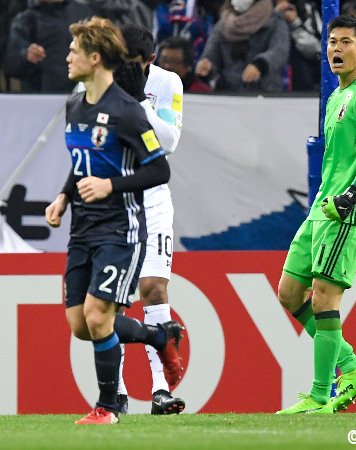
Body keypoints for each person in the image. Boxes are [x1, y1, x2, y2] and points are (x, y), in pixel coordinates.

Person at [44, 16, 183, 425]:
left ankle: (109, 405)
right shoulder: (74, 105)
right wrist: (64, 195)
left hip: (122, 224)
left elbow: (160, 167)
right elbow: (82, 161)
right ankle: (159, 336)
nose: (67, 57)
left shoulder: (128, 110)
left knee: (101, 313)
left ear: (95, 58)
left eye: (74, 51)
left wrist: (110, 185)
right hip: (82, 226)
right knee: (81, 324)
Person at [276, 14, 356, 414]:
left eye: (346, 42)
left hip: (347, 212)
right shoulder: (336, 97)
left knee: (324, 298)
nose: (336, 49)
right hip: (322, 209)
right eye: (332, 42)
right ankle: (352, 367)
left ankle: (319, 394)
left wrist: (353, 194)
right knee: (289, 293)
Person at [110, 23, 186, 416]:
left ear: (150, 61)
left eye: (133, 63)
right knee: (114, 298)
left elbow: (168, 141)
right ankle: (118, 393)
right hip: (114, 202)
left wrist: (139, 101)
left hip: (153, 199)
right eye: (120, 61)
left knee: (153, 289)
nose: (125, 69)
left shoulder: (167, 83)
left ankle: (160, 390)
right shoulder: (99, 80)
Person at [194, 0, 290, 93]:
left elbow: (279, 51)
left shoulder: (275, 22)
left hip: (265, 92)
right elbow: (213, 50)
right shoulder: (223, 23)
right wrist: (207, 65)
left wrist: (260, 65)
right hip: (228, 92)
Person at [5, 0, 93, 93]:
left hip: (83, 93)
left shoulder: (84, 13)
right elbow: (11, 65)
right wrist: (26, 55)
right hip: (42, 95)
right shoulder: (24, 19)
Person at [274, 0, 322, 92]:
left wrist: (295, 23)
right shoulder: (265, 6)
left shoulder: (306, 8)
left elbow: (318, 46)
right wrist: (274, 15)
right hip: (271, 67)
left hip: (303, 65)